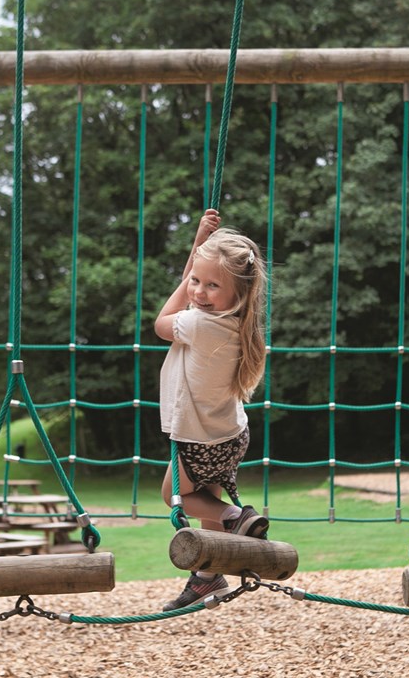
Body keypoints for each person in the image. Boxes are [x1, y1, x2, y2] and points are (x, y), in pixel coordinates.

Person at [157, 208, 269, 610]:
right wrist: (199, 245)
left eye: (212, 286)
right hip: (229, 434)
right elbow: (194, 288)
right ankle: (207, 578)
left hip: (200, 440)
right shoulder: (235, 323)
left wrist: (194, 254)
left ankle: (236, 517)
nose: (199, 291)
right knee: (204, 499)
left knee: (172, 493)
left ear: (236, 294)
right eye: (196, 281)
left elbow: (160, 322)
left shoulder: (200, 325)